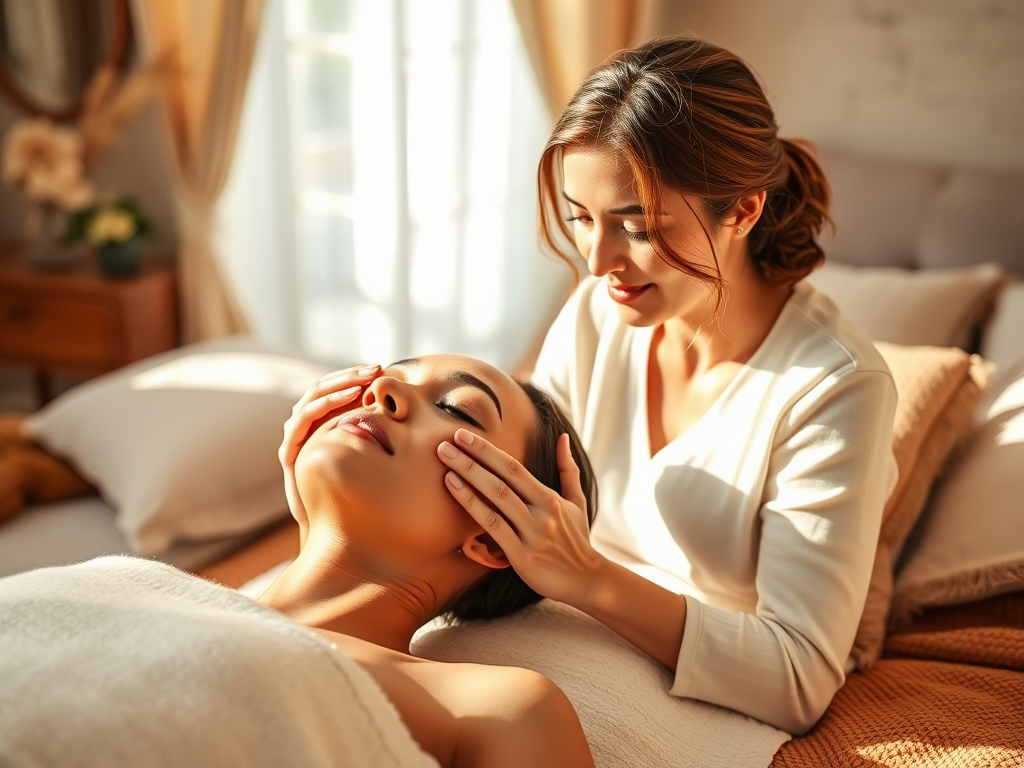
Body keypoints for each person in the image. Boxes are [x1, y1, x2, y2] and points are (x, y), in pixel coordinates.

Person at [427, 36, 899, 735]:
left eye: (636, 227)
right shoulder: (600, 314)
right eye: (582, 219)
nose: (597, 261)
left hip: (709, 695)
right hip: (562, 642)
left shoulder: (834, 389)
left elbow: (799, 680)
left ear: (741, 210)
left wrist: (588, 578)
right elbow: (518, 488)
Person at [265, 354, 597, 768]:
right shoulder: (165, 590)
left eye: (455, 408)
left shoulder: (491, 712)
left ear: (495, 540)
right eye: (387, 375)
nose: (383, 391)